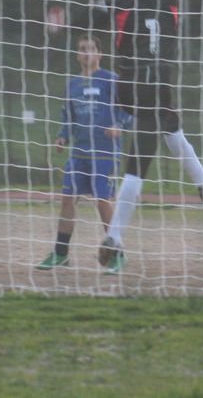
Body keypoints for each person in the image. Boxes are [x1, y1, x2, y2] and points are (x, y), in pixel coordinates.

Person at [50, 0, 203, 271]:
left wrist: (64, 24)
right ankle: (114, 238)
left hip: (133, 85)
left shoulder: (125, 1)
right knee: (142, 160)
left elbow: (90, 17)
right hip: (156, 83)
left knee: (170, 128)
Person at [36, 34, 131, 274]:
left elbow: (130, 106)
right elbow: (67, 115)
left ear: (100, 54)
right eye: (82, 49)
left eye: (91, 49)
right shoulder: (73, 85)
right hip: (79, 152)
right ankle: (60, 254)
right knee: (68, 199)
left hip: (105, 152)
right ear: (77, 55)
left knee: (103, 200)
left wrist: (119, 124)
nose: (87, 52)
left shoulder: (111, 80)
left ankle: (117, 254)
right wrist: (62, 136)